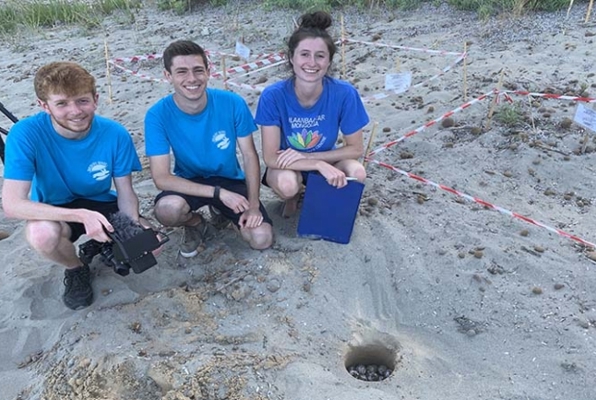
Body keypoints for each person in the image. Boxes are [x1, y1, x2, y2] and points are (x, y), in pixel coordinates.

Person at [2, 61, 146, 310]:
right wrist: (79, 215)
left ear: (96, 99)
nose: (75, 111)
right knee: (41, 235)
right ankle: (76, 268)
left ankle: (101, 243)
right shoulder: (25, 134)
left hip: (100, 201)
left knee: (146, 248)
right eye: (62, 104)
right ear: (43, 105)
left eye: (82, 101)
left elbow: (126, 192)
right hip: (54, 207)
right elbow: (13, 205)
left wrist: (129, 228)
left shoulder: (115, 133)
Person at [144, 40, 273, 257]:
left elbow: (250, 156)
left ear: (208, 71)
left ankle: (224, 213)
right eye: (182, 72)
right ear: (168, 76)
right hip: (189, 181)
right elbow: (161, 178)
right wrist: (218, 194)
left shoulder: (232, 102)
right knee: (168, 210)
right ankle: (196, 223)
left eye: (198, 70)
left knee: (262, 239)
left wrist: (252, 205)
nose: (192, 79)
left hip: (229, 180)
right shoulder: (157, 115)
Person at [255, 11, 370, 217]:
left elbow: (356, 148)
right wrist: (316, 163)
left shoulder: (344, 93)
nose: (312, 62)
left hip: (325, 156)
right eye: (304, 54)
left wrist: (316, 158)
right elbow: (271, 158)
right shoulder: (272, 96)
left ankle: (322, 198)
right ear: (291, 58)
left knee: (358, 172)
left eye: (320, 56)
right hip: (287, 164)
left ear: (329, 61)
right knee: (288, 185)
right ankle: (294, 196)